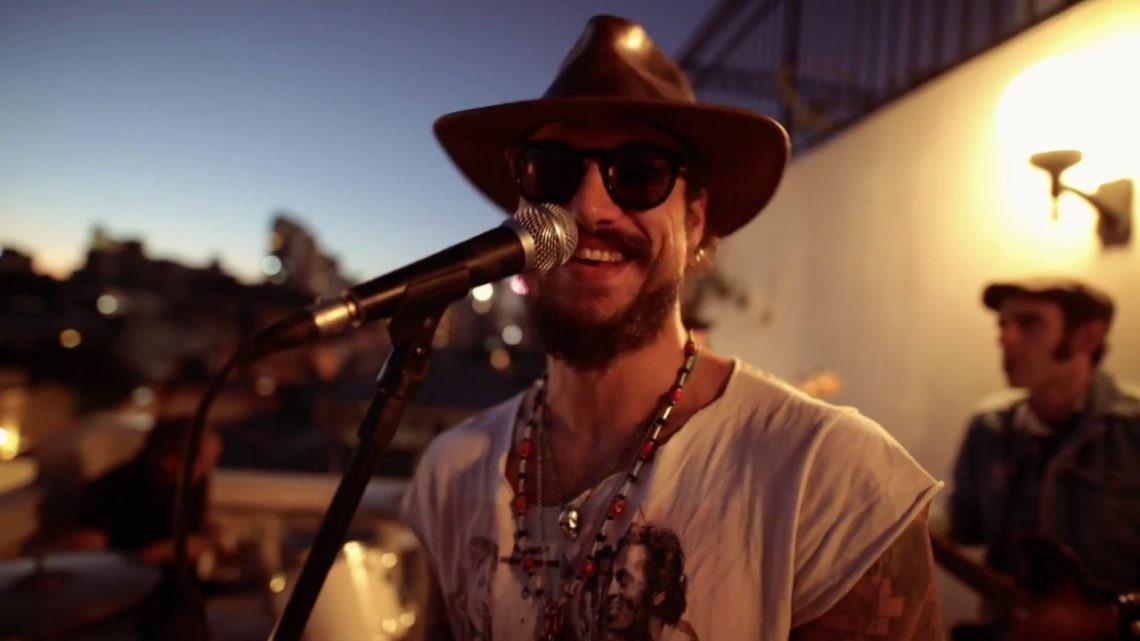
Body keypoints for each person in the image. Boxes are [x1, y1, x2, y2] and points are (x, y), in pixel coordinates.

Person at [402, 15, 942, 641]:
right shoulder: (452, 472)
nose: (587, 208)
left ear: (695, 220)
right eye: (551, 170)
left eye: (638, 172)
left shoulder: (829, 479)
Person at [948, 278, 1140, 596]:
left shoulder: (1132, 430)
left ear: (1088, 336)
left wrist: (1108, 617)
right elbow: (962, 528)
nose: (1006, 339)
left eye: (1029, 323)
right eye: (1003, 325)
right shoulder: (989, 427)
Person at [70, 418, 223, 567]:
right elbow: (87, 558)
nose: (207, 470)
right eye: (204, 462)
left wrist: (208, 538)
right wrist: (161, 553)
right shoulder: (108, 492)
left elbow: (198, 529)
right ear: (170, 460)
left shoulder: (188, 484)